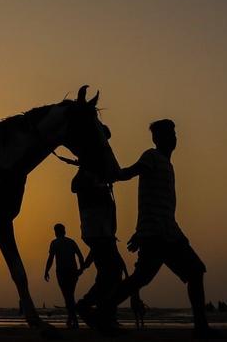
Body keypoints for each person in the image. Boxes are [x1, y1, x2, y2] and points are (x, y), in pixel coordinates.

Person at [92, 119, 216, 337]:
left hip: (168, 231)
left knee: (188, 272)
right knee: (150, 277)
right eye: (169, 134)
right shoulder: (152, 157)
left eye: (174, 133)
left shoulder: (168, 164)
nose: (174, 137)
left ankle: (201, 326)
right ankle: (103, 312)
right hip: (157, 233)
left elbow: (154, 202)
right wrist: (108, 170)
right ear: (157, 139)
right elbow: (126, 174)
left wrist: (139, 232)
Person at [56, 125, 127, 325]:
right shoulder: (88, 169)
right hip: (96, 229)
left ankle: (103, 313)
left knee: (110, 271)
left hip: (102, 228)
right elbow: (75, 186)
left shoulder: (96, 167)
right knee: (112, 271)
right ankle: (90, 307)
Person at [44, 223, 85, 329]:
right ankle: (70, 319)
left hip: (62, 272)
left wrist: (46, 271)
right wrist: (81, 269)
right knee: (70, 295)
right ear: (64, 231)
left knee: (68, 296)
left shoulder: (54, 243)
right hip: (73, 271)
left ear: (56, 232)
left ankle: (74, 320)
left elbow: (50, 259)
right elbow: (80, 256)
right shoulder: (71, 242)